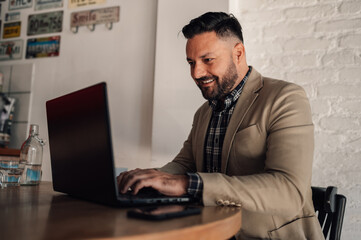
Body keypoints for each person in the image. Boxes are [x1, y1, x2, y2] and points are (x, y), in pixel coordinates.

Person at [117, 12, 324, 239]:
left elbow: (289, 192)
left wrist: (189, 184)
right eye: (191, 62)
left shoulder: (285, 98)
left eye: (207, 60)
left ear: (238, 53)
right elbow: (184, 164)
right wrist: (146, 179)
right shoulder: (203, 113)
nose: (196, 73)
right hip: (212, 233)